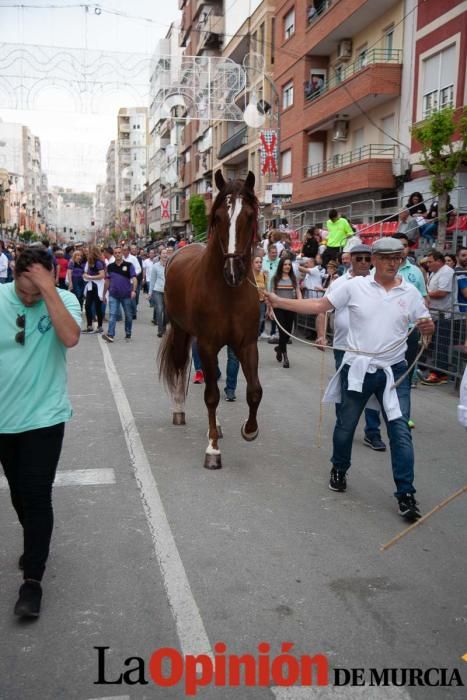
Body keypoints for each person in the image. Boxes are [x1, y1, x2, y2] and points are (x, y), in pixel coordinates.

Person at [265, 238, 434, 522]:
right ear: (374, 260)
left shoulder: (410, 293)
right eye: (387, 257)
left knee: (400, 432)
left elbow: (425, 323)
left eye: (398, 257)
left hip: (394, 374)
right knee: (345, 426)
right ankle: (339, 468)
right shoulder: (353, 286)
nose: (393, 262)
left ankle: (406, 492)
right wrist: (280, 301)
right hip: (357, 369)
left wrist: (428, 326)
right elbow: (320, 304)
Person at [0, 246, 81, 617]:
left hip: (45, 418)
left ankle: (32, 581)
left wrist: (50, 291)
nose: (29, 299)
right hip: (4, 420)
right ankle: (35, 539)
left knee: (36, 494)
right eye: (24, 291)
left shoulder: (62, 299)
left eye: (38, 291)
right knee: (18, 493)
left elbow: (69, 338)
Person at [316, 244, 387, 451]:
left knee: (373, 392)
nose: (364, 262)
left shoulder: (381, 282)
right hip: (343, 346)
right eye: (359, 258)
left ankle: (372, 432)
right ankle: (344, 427)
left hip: (372, 348)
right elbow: (322, 309)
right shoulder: (338, 283)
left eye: (367, 258)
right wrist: (321, 335)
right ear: (350, 260)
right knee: (345, 389)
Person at [422, 250, 455, 385]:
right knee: (433, 344)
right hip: (434, 314)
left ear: (439, 261)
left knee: (441, 346)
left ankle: (439, 374)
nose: (428, 265)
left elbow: (442, 292)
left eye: (430, 262)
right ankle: (429, 370)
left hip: (444, 315)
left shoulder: (446, 271)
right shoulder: (435, 272)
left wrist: (425, 295)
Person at [270, 256, 302, 369]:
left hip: (291, 308)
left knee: (287, 334)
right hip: (278, 308)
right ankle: (285, 357)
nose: (287, 266)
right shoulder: (275, 278)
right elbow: (272, 294)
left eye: (289, 264)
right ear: (281, 266)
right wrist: (270, 309)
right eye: (285, 264)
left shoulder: (293, 278)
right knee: (282, 332)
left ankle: (279, 348)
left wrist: (300, 303)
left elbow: (298, 291)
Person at [102, 245, 137, 343]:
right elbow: (107, 282)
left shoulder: (129, 265)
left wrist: (134, 290)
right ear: (114, 254)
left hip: (126, 295)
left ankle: (128, 332)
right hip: (113, 295)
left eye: (119, 252)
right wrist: (104, 294)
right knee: (112, 315)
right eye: (115, 253)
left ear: (122, 253)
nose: (117, 254)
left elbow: (134, 278)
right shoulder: (110, 267)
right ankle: (110, 335)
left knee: (128, 316)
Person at [83, 245, 105, 333]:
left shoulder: (98, 263)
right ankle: (89, 326)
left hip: (97, 286)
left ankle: (100, 326)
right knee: (87, 305)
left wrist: (90, 277)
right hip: (90, 286)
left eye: (89, 251)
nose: (87, 253)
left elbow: (102, 275)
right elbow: (85, 272)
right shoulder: (89, 262)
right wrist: (85, 275)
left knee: (98, 306)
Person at [148, 247, 168, 338]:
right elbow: (152, 280)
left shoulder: (170, 265)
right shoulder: (155, 266)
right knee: (159, 310)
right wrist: (150, 292)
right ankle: (160, 330)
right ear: (160, 255)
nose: (165, 255)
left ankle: (164, 327)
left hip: (167, 292)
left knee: (167, 312)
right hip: (157, 291)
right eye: (163, 253)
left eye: (166, 253)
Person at [253, 255, 268, 338]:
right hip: (251, 303)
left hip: (261, 302)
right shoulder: (249, 276)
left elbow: (265, 289)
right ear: (252, 264)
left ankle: (255, 335)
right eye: (256, 262)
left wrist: (268, 304)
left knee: (260, 320)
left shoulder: (264, 275)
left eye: (260, 262)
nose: (259, 264)